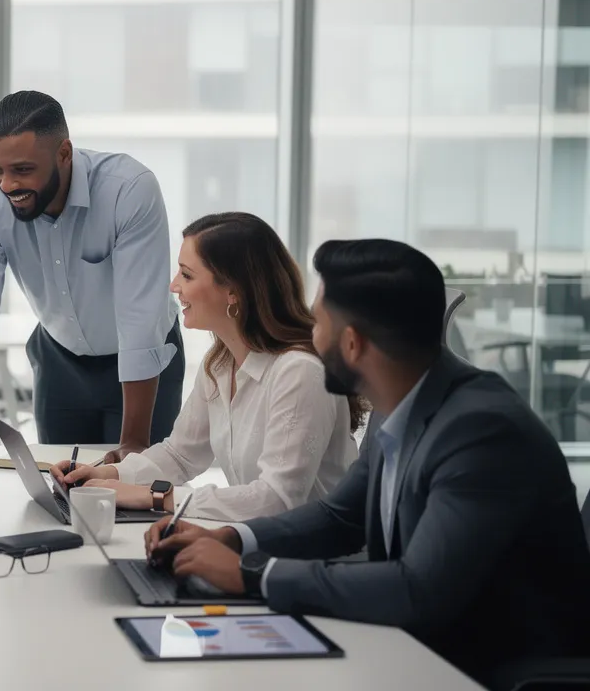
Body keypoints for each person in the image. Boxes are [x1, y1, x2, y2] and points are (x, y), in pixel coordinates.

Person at [145, 238, 590, 687]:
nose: (309, 337)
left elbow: (419, 591)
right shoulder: (401, 403)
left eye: (318, 323)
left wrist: (253, 576)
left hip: (487, 668)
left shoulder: (481, 432)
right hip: (420, 646)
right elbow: (341, 516)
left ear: (353, 343)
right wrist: (233, 538)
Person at [50, 213, 362, 521]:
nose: (174, 286)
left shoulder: (299, 373)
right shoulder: (220, 363)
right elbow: (180, 455)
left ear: (233, 291)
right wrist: (106, 473)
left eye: (186, 275)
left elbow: (277, 499)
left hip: (319, 560)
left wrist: (154, 497)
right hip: (267, 544)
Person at [0, 90, 184, 470]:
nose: (6, 184)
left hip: (144, 367)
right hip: (58, 360)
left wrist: (135, 441)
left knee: (140, 489)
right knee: (60, 488)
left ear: (64, 154)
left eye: (22, 170)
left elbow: (141, 322)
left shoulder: (129, 190)